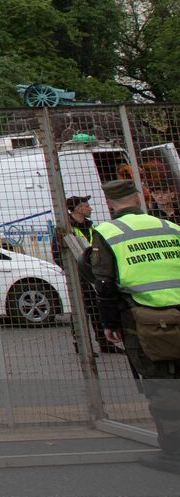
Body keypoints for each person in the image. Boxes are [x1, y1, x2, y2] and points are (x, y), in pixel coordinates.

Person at [89, 179, 180, 474]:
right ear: (139, 200)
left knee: (161, 384)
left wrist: (109, 323)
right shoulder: (171, 228)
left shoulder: (107, 232)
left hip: (146, 320)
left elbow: (105, 283)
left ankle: (174, 454)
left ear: (111, 206)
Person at [51, 195, 114, 353]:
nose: (90, 208)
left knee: (97, 307)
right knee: (81, 310)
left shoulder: (90, 227)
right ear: (78, 208)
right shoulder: (66, 228)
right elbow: (57, 254)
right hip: (79, 276)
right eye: (86, 206)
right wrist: (73, 271)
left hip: (96, 274)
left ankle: (105, 343)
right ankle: (81, 344)